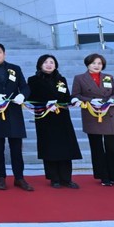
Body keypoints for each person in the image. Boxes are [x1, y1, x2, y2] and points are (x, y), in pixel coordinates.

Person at [0, 43, 33, 191]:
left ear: (4, 53)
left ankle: (19, 178)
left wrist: (23, 95)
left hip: (14, 113)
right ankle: (1, 178)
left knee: (16, 148)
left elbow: (25, 86)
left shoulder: (15, 68)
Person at [71, 53, 114, 187]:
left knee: (112, 148)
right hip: (92, 114)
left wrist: (113, 99)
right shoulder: (79, 78)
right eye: (94, 63)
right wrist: (90, 100)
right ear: (88, 64)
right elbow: (75, 95)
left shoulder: (108, 77)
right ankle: (103, 176)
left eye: (99, 63)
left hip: (110, 114)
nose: (97, 66)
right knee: (97, 148)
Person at [29, 54, 82, 189]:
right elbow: (31, 98)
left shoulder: (61, 79)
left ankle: (67, 178)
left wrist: (73, 100)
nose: (49, 64)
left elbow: (66, 96)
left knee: (66, 147)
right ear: (40, 65)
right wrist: (46, 104)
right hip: (45, 117)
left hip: (62, 117)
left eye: (51, 62)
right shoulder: (33, 80)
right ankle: (54, 178)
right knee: (50, 147)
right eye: (45, 62)